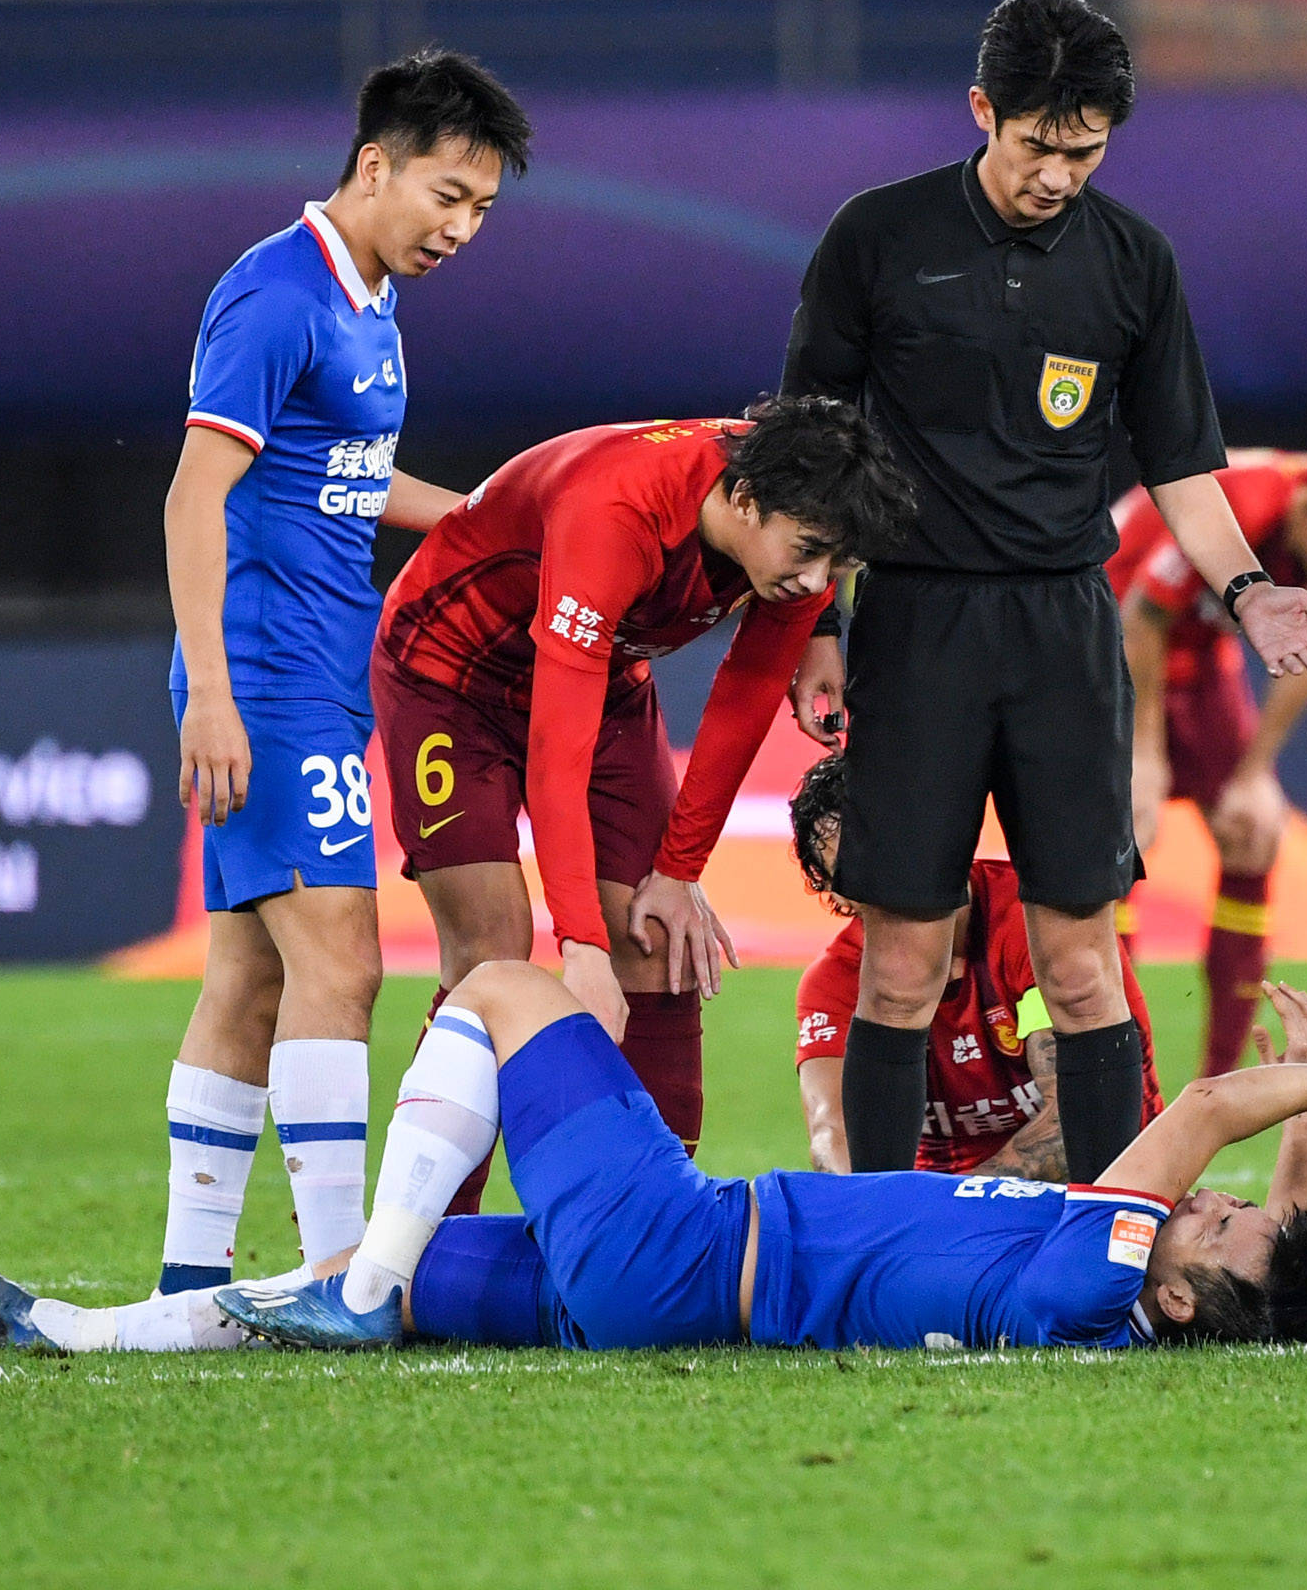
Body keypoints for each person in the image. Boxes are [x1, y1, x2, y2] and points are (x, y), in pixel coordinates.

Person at [779, 0, 1307, 1184]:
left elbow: (1184, 465)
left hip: (1062, 630)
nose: (1056, 173)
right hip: (913, 622)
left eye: (1083, 150)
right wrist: (816, 623)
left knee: (1083, 963)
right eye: (1037, 143)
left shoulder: (1135, 261)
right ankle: (883, 1246)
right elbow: (808, 452)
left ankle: (1117, 1245)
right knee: (901, 962)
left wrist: (1251, 592)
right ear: (983, 110)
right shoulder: (878, 238)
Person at [0, 978, 1307, 1357]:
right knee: (339, 1284)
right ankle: (66, 1329)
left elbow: (1197, 1108)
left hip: (676, 1239)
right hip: (644, 1298)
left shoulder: (1095, 1269)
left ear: (1181, 1296)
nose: (1208, 1202)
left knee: (507, 991)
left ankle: (376, 1271)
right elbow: (1255, 1234)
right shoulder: (1109, 1273)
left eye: (1223, 1227)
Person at [153, 50, 530, 1294]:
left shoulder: (369, 299)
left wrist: (486, 515)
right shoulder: (277, 295)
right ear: (375, 164)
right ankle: (332, 1273)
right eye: (445, 194)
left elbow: (349, 480)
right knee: (345, 965)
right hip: (264, 675)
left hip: (318, 667)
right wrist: (210, 686)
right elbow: (193, 492)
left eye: (481, 210)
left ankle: (192, 1280)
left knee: (252, 972)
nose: (461, 228)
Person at [370, 403, 915, 1191]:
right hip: (450, 672)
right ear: (745, 501)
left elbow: (746, 696)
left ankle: (654, 1243)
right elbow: (559, 756)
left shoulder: (796, 517)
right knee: (493, 947)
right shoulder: (617, 510)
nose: (814, 583)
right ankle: (424, 1246)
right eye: (808, 555)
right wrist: (581, 948)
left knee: (658, 937)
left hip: (606, 676)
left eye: (837, 566)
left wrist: (680, 869)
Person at [1111, 452, 1307, 1076]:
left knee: (1252, 833)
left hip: (1196, 661)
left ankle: (1222, 1083)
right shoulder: (1247, 503)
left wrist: (1255, 771)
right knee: (1116, 841)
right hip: (1104, 640)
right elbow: (1143, 616)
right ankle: (1118, 1079)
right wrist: (1142, 757)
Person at [787, 752, 1162, 1177]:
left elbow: (1074, 1127)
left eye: (898, 854)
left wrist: (952, 1210)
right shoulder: (834, 983)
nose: (890, 884)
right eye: (858, 875)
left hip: (1102, 1190)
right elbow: (832, 1139)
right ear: (839, 898)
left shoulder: (1034, 924)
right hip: (948, 1219)